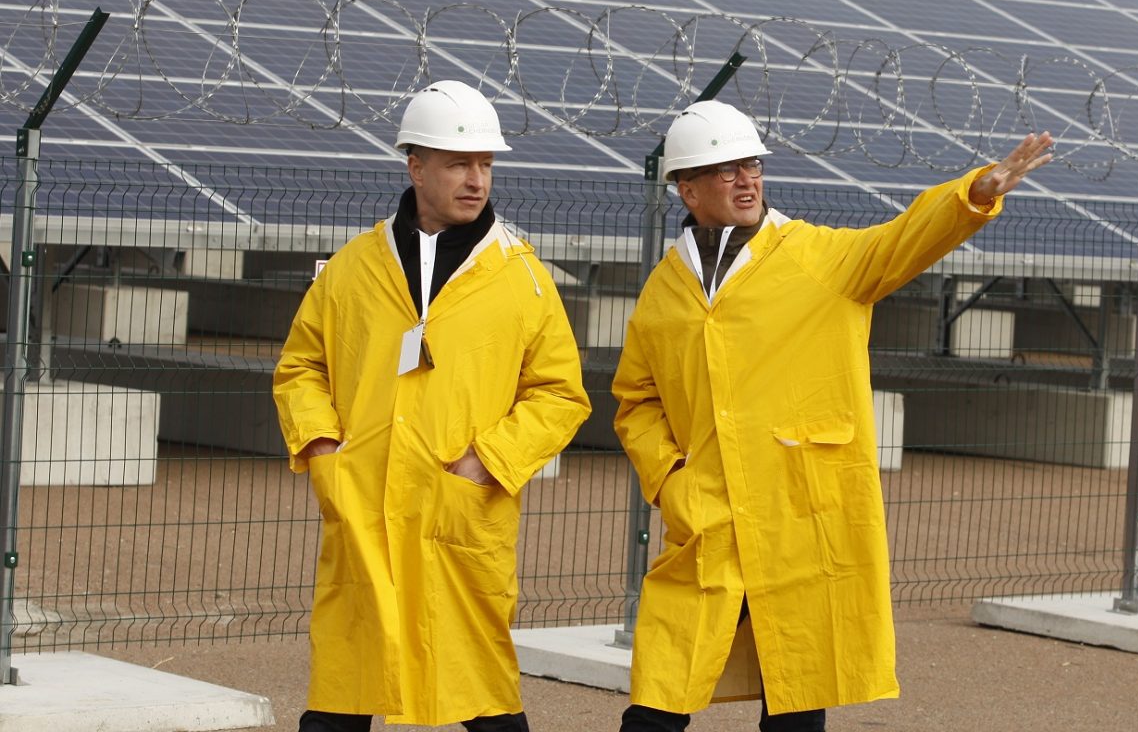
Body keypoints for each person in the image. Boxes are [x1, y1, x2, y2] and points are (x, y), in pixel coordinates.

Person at [611, 100, 1053, 731]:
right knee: (658, 696)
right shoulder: (665, 286)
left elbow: (902, 239)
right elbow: (637, 400)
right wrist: (671, 480)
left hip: (799, 512)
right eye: (726, 170)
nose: (746, 180)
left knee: (795, 694)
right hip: (707, 517)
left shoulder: (818, 257)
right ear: (688, 189)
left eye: (752, 165)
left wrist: (973, 196)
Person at [274, 80, 591, 731]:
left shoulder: (522, 276)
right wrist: (323, 447)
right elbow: (301, 367)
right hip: (363, 508)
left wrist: (487, 461)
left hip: (459, 514)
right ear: (416, 167)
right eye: (458, 163)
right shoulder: (352, 269)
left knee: (482, 695)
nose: (476, 180)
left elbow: (560, 393)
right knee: (343, 694)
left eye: (485, 164)